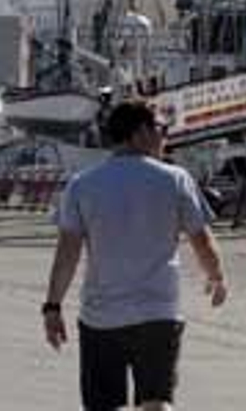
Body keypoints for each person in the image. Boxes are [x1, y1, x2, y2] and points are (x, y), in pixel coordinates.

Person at [41, 99, 228, 411]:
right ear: (140, 132)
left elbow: (67, 254)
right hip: (157, 311)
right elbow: (201, 240)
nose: (166, 137)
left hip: (102, 315)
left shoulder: (82, 185)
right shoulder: (175, 179)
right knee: (157, 402)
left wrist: (52, 306)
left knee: (103, 405)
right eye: (161, 129)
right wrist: (216, 276)